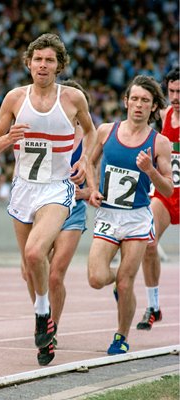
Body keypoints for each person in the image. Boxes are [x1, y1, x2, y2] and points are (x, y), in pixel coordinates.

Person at [0, 33, 97, 365]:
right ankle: (46, 325)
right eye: (38, 59)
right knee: (28, 267)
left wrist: (84, 159)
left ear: (59, 65)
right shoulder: (15, 99)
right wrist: (8, 138)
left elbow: (90, 132)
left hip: (55, 188)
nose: (43, 65)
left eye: (49, 60)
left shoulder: (73, 98)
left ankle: (42, 317)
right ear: (28, 63)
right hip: (23, 188)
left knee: (37, 252)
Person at [87, 75, 173, 355]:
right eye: (134, 99)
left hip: (137, 218)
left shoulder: (159, 143)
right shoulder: (106, 131)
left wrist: (150, 170)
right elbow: (88, 162)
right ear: (125, 102)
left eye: (145, 101)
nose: (138, 105)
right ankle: (120, 285)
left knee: (126, 282)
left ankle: (121, 336)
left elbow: (169, 189)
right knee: (97, 278)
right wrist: (91, 189)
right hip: (109, 216)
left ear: (153, 107)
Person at [20, 79, 90, 364]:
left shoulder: (87, 142)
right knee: (30, 270)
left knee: (55, 273)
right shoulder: (46, 134)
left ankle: (53, 330)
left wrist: (84, 188)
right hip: (43, 206)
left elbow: (94, 187)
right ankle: (43, 314)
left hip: (72, 209)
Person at [137, 67, 180, 331]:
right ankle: (153, 306)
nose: (176, 96)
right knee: (148, 242)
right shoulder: (164, 115)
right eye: (172, 91)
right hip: (167, 192)